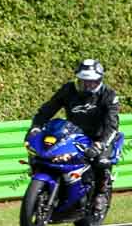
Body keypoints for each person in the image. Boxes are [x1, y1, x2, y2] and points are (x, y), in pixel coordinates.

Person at [27, 59, 121, 212]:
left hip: (99, 136)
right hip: (73, 133)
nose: (87, 84)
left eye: (91, 81)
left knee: (101, 160)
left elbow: (112, 124)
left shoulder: (109, 95)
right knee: (45, 153)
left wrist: (100, 144)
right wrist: (36, 126)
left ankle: (100, 194)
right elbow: (48, 109)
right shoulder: (68, 90)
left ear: (99, 80)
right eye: (83, 80)